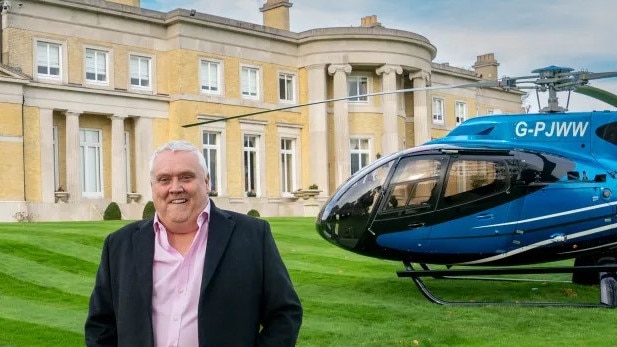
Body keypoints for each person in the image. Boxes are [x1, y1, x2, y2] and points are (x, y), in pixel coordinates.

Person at [85, 140, 303, 346]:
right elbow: (100, 325)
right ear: (152, 187)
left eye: (186, 177)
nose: (175, 187)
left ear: (206, 182)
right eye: (164, 180)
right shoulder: (119, 245)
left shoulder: (252, 236)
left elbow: (284, 313)